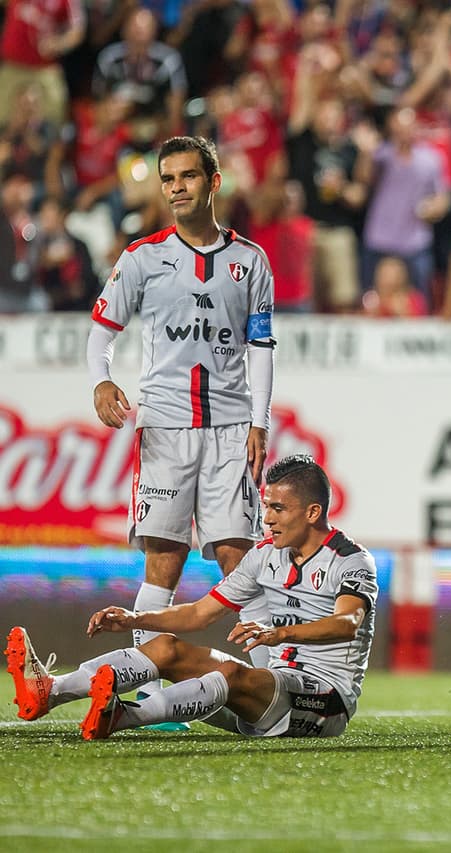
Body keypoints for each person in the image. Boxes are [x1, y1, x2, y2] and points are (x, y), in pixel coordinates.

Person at [86, 135, 276, 725]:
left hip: (228, 427)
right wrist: (102, 380)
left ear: (212, 182)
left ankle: (275, 687)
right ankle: (145, 694)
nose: (176, 188)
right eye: (168, 179)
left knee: (239, 561)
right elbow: (102, 331)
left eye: (188, 177)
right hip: (165, 427)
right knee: (163, 562)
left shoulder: (250, 260)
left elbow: (262, 345)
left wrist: (259, 420)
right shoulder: (141, 257)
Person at [5, 455, 377, 740]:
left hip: (324, 704)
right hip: (267, 689)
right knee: (166, 648)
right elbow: (199, 614)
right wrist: (135, 620)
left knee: (230, 672)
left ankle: (124, 716)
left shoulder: (351, 559)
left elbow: (348, 624)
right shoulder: (266, 555)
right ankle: (50, 691)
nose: (267, 518)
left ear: (313, 512)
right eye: (265, 506)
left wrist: (281, 635)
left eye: (278, 509)